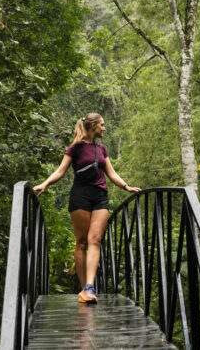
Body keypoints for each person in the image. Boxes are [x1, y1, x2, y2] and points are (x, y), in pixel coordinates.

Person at [33, 113, 141, 304]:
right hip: (80, 196)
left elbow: (112, 173)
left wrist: (127, 187)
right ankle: (84, 289)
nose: (104, 128)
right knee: (82, 242)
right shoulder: (75, 148)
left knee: (95, 239)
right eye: (102, 125)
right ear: (92, 126)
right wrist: (45, 183)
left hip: (100, 196)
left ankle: (90, 287)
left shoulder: (102, 149)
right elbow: (61, 170)